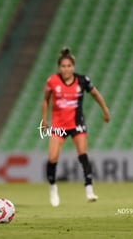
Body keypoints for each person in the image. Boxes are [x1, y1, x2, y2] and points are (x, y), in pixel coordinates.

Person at [41, 47, 110, 207]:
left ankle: (89, 190)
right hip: (58, 125)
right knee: (52, 158)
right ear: (59, 67)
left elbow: (96, 94)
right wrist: (43, 120)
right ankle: (53, 188)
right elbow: (46, 100)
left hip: (77, 123)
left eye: (69, 66)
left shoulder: (82, 80)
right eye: (63, 66)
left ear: (73, 66)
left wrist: (105, 110)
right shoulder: (52, 81)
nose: (66, 69)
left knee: (83, 155)